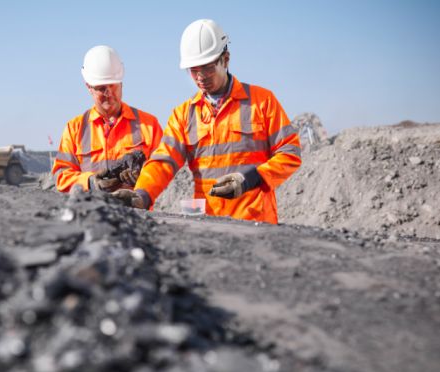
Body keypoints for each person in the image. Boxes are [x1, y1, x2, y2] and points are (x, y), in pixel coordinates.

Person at [113, 19, 302, 224]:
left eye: (207, 68)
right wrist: (142, 194)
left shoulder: (262, 101)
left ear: (225, 59)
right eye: (193, 70)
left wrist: (251, 178)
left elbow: (289, 153)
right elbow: (163, 162)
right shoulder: (184, 114)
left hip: (257, 223)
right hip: (209, 227)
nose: (200, 77)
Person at [52, 45, 163, 193]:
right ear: (89, 87)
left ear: (121, 83)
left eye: (113, 85)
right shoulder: (74, 129)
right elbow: (61, 176)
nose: (109, 93)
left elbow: (166, 171)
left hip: (136, 214)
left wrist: (144, 178)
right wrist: (89, 182)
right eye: (101, 87)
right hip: (92, 213)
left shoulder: (149, 125)